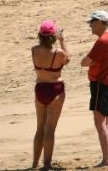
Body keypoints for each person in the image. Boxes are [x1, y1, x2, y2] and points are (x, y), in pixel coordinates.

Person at [81, 10, 108, 168]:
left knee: (100, 123)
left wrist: (90, 62)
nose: (90, 25)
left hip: (101, 85)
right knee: (105, 123)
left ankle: (107, 161)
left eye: (93, 22)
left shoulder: (103, 41)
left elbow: (85, 62)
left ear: (101, 23)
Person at [32, 20, 69, 170]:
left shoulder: (34, 50)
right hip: (55, 89)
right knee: (50, 129)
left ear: (40, 35)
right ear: (54, 35)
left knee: (40, 128)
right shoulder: (58, 53)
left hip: (40, 88)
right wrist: (62, 40)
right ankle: (47, 164)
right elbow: (68, 59)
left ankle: (35, 163)